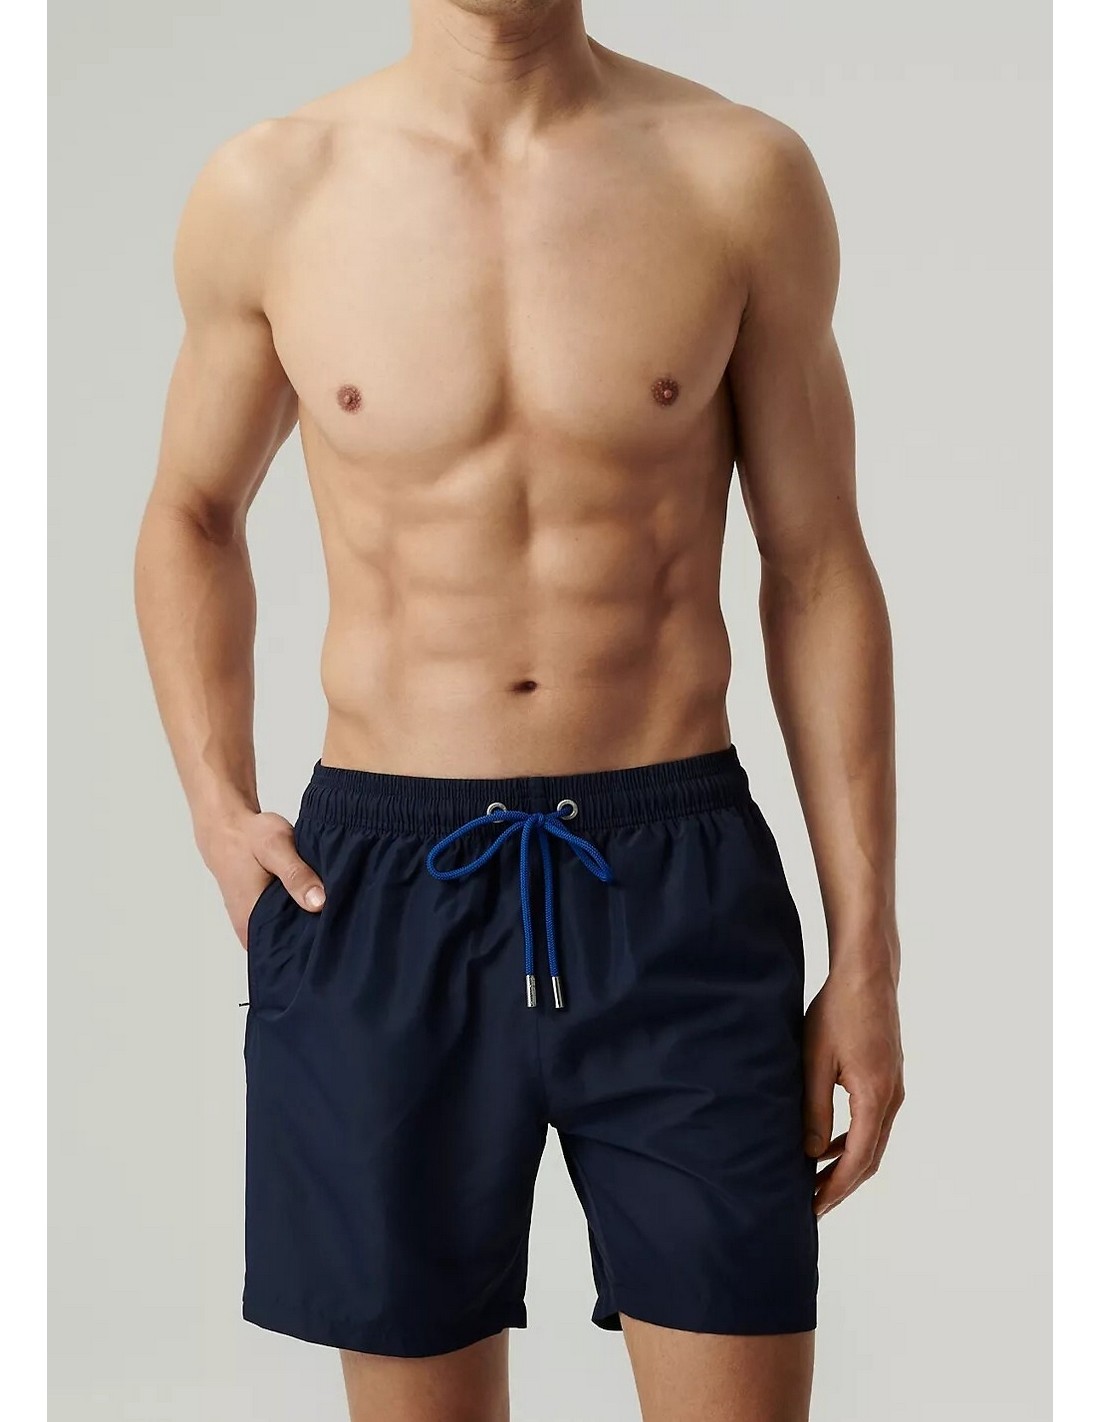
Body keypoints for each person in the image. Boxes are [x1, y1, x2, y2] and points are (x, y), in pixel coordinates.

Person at [135, 2, 904, 1418]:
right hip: (381, 889)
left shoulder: (737, 174)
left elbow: (816, 564)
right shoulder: (273, 187)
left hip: (674, 880)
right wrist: (214, 801)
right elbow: (191, 509)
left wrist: (869, 951)